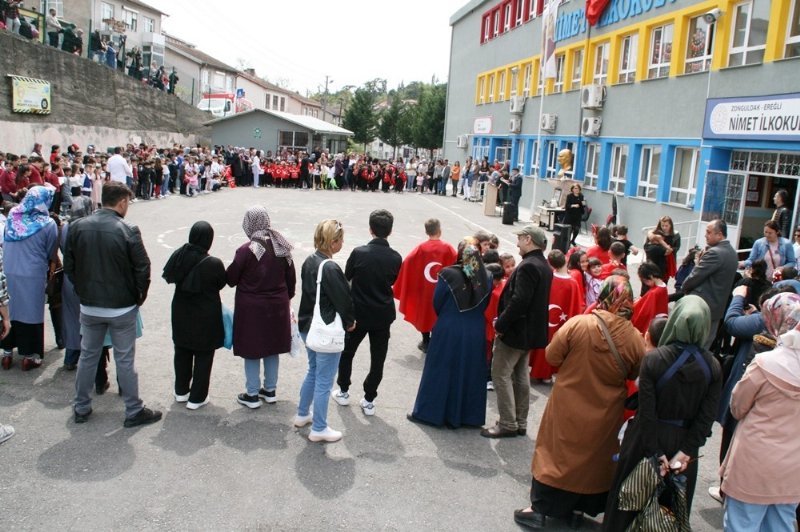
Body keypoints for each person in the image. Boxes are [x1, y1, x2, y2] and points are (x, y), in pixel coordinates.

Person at [514, 276, 645, 530]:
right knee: (593, 459)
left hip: (568, 401)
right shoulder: (634, 338)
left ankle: (541, 509)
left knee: (556, 453)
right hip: (606, 410)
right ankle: (578, 507)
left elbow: (552, 355)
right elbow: (634, 372)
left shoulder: (580, 324)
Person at [603, 295, 722, 531]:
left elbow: (647, 411)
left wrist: (655, 453)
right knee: (669, 511)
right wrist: (686, 452)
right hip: (684, 444)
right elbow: (706, 416)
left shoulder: (655, 359)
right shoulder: (713, 366)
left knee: (628, 502)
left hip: (645, 440)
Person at [64, 181, 161, 428]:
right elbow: (143, 268)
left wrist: (82, 290)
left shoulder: (77, 227)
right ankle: (133, 410)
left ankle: (81, 406)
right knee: (125, 359)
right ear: (122, 202)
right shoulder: (127, 229)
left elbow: (71, 266)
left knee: (88, 356)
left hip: (90, 305)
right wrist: (138, 297)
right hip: (121, 306)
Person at [720, 292, 800, 531]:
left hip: (755, 460)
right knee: (781, 523)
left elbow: (737, 406)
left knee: (742, 523)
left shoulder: (766, 364)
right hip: (793, 464)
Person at [408, 237, 491, 428]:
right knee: (469, 370)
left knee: (440, 369)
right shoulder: (486, 276)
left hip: (450, 325)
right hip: (475, 328)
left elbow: (437, 301)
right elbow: (485, 303)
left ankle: (431, 413)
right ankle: (467, 416)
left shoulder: (448, 274)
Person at [482, 225, 552, 438]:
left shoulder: (529, 266)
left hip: (516, 331)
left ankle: (508, 423)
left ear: (529, 240)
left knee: (500, 374)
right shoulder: (543, 265)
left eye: (520, 239)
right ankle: (519, 422)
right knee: (521, 376)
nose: (518, 243)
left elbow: (520, 300)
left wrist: (501, 324)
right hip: (529, 332)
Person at [332, 210, 401, 416]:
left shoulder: (359, 252)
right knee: (377, 358)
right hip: (382, 314)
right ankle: (369, 398)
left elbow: (347, 278)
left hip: (358, 312)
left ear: (370, 229)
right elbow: (392, 281)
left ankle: (343, 390)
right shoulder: (396, 257)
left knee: (347, 352)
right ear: (390, 231)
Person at [226, 207, 296, 409]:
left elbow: (231, 278)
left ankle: (252, 393)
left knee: (252, 349)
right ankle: (270, 390)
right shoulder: (281, 247)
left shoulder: (247, 249)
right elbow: (291, 279)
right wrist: (284, 298)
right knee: (272, 348)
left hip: (252, 308)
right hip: (277, 305)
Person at [295, 220, 355, 443]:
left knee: (313, 371)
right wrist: (350, 322)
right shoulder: (330, 267)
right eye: (340, 239)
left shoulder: (310, 260)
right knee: (324, 381)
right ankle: (319, 427)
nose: (342, 243)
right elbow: (344, 300)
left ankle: (303, 414)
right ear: (333, 242)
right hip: (324, 331)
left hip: (307, 327)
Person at [163, 221, 226, 410]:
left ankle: (181, 391)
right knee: (204, 355)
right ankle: (197, 397)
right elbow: (222, 283)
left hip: (181, 310)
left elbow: (169, 276)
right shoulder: (214, 263)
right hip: (206, 313)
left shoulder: (179, 255)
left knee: (181, 351)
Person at [1, 187, 58, 371]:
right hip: (32, 273)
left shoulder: (12, 217)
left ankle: (7, 353)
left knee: (11, 309)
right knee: (31, 312)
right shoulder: (48, 223)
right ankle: (29, 355)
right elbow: (51, 251)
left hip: (9, 270)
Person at [393, 219, 457, 353]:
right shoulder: (447, 248)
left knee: (424, 314)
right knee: (440, 314)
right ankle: (437, 340)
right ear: (440, 231)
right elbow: (457, 262)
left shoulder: (421, 248)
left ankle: (426, 341)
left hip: (425, 289)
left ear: (426, 232)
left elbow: (408, 262)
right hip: (443, 289)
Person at [682, 219, 739, 349]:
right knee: (704, 346)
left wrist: (684, 287)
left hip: (701, 307)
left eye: (708, 232)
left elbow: (695, 276)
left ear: (719, 235)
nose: (705, 235)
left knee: (691, 345)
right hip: (716, 309)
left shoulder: (714, 253)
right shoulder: (732, 253)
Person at [529, 250, 581, 382]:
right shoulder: (573, 283)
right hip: (562, 322)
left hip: (545, 318)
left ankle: (538, 370)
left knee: (543, 342)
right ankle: (549, 372)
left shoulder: (548, 277)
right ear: (565, 260)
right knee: (557, 345)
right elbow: (575, 306)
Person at [644, 216, 681, 283]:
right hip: (655, 261)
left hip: (667, 262)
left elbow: (677, 247)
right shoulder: (655, 233)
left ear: (671, 225)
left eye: (666, 226)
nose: (664, 228)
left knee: (663, 281)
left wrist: (671, 250)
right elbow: (647, 246)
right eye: (662, 225)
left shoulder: (675, 235)